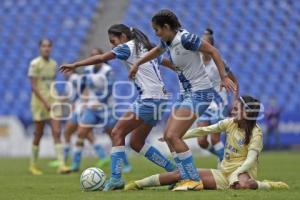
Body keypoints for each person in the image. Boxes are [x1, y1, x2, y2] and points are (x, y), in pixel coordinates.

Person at [60, 24, 176, 191]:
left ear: (122, 37)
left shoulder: (126, 47)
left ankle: (116, 179)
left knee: (117, 132)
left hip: (150, 99)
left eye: (113, 41)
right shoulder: (142, 47)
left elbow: (101, 58)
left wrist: (75, 65)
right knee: (136, 142)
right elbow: (164, 61)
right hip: (161, 99)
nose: (113, 45)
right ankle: (174, 171)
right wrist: (180, 68)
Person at [129, 9, 236, 190]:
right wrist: (138, 64)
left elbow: (213, 51)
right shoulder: (167, 41)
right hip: (185, 94)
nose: (156, 33)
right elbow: (156, 51)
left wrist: (224, 77)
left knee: (173, 135)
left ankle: (193, 179)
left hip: (199, 93)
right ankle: (183, 176)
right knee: (167, 137)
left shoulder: (186, 39)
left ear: (167, 27)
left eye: (157, 29)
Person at [125, 96, 289, 191]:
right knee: (182, 174)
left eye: (237, 109)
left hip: (240, 172)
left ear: (247, 112)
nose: (232, 111)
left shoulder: (256, 133)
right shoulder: (230, 122)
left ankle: (268, 185)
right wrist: (178, 135)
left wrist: (239, 171)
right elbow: (204, 130)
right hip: (222, 172)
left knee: (243, 184)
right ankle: (137, 184)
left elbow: (251, 159)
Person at [66, 48, 131, 172]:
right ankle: (75, 164)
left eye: (97, 55)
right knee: (81, 133)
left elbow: (110, 90)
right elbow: (83, 87)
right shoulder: (87, 70)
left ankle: (126, 164)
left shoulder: (108, 71)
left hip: (107, 108)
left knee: (114, 136)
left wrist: (99, 102)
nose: (94, 58)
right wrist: (78, 101)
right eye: (92, 55)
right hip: (92, 108)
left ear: (102, 57)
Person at [28, 39, 70, 175]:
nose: (46, 48)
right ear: (40, 48)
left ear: (51, 48)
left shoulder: (53, 64)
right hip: (39, 103)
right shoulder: (35, 64)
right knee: (38, 134)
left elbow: (50, 84)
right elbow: (34, 86)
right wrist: (44, 102)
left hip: (53, 100)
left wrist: (58, 98)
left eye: (49, 46)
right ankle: (33, 165)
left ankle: (62, 165)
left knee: (57, 132)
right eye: (44, 46)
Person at [197, 28, 239, 164]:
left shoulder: (219, 62)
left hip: (219, 103)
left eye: (204, 42)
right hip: (203, 104)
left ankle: (226, 163)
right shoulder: (196, 62)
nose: (201, 45)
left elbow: (235, 81)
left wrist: (235, 101)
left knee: (215, 139)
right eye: (200, 42)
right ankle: (223, 156)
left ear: (211, 46)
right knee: (201, 141)